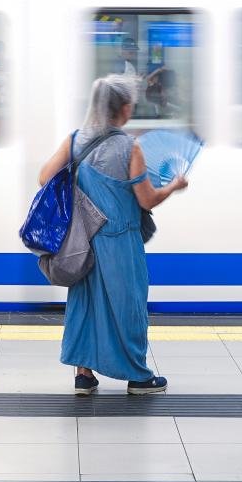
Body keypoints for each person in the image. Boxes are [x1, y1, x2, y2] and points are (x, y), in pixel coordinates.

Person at [37, 75, 187, 395]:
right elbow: (147, 200)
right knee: (128, 306)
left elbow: (44, 178)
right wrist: (173, 186)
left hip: (82, 242)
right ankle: (138, 376)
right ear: (125, 109)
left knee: (85, 304)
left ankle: (84, 374)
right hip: (119, 241)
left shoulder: (75, 140)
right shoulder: (129, 148)